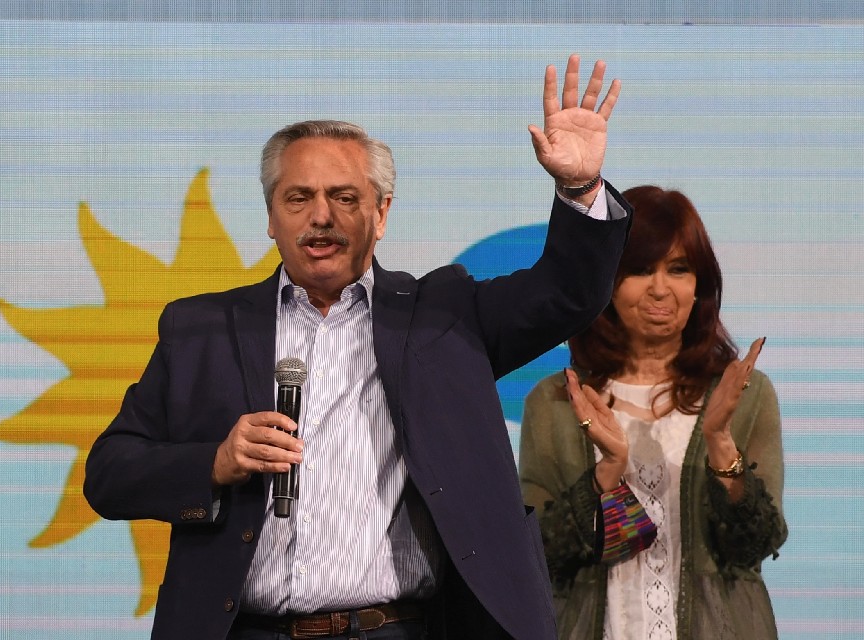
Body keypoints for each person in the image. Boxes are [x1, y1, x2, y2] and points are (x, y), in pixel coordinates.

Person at [84, 54, 632, 640]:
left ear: (382, 212)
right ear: (271, 217)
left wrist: (579, 188)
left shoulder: (445, 316)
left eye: (344, 197)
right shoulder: (201, 329)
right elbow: (109, 473)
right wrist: (215, 463)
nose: (320, 217)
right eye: (298, 198)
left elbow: (569, 294)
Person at [519, 185, 788, 639]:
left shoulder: (746, 394)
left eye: (678, 269)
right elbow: (540, 555)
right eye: (640, 269)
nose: (660, 289)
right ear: (607, 281)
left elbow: (753, 548)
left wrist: (720, 443)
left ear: (699, 285)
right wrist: (606, 474)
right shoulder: (556, 402)